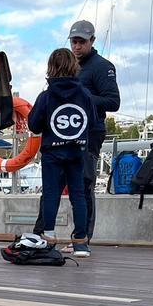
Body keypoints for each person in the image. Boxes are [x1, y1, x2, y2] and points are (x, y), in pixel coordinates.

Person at [31, 20, 119, 253]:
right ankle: (50, 234)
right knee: (63, 191)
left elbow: (113, 102)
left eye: (82, 41)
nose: (77, 46)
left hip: (84, 139)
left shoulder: (102, 67)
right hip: (76, 141)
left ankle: (78, 238)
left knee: (82, 187)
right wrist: (80, 99)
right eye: (74, 41)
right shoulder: (75, 91)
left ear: (92, 41)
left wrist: (77, 99)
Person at [28, 49, 94, 258]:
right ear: (74, 67)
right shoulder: (84, 94)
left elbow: (34, 124)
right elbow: (92, 120)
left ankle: (48, 237)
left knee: (51, 194)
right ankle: (81, 241)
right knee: (78, 195)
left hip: (52, 153)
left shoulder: (46, 96)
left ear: (51, 68)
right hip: (76, 150)